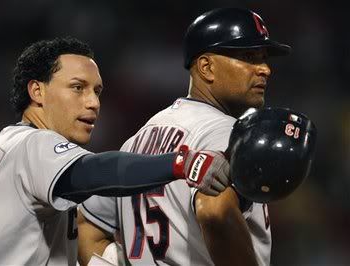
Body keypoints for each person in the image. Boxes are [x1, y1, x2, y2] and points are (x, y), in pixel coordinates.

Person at [0, 36, 230, 266]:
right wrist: (181, 162)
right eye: (78, 88)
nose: (93, 102)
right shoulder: (33, 144)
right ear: (37, 91)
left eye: (98, 91)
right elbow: (93, 172)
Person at [78, 7, 291, 266]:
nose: (265, 69)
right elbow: (215, 212)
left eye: (263, 57)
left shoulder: (138, 139)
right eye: (248, 56)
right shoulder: (226, 133)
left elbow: (86, 224)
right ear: (206, 67)